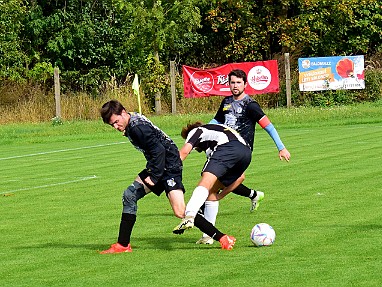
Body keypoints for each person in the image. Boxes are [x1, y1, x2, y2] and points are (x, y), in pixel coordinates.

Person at [99, 100, 236, 253]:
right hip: (161, 165)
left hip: (168, 167)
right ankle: (123, 245)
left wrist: (155, 176)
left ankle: (222, 237)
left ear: (124, 112)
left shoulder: (138, 128)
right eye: (112, 125)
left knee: (180, 211)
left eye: (116, 122)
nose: (116, 127)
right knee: (130, 195)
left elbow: (159, 151)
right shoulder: (133, 122)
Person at [197, 69, 291, 244]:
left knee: (210, 187)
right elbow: (216, 122)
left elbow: (268, 127)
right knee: (212, 188)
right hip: (223, 149)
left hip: (239, 153)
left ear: (245, 84)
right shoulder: (225, 102)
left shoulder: (251, 105)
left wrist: (281, 148)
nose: (235, 86)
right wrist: (200, 131)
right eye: (232, 83)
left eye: (238, 83)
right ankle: (251, 196)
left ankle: (207, 230)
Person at [172, 121, 252, 238]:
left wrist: (168, 169)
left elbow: (183, 152)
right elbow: (241, 177)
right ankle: (207, 237)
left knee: (206, 182)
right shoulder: (217, 135)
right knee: (211, 192)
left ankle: (189, 216)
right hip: (246, 153)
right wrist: (220, 196)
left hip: (227, 148)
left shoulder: (196, 131)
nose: (196, 149)